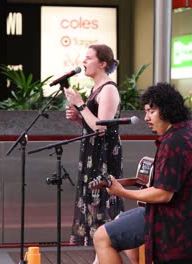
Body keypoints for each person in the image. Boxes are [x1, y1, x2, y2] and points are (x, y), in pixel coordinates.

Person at [93, 83, 192, 264]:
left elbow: (163, 194)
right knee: (119, 220)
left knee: (102, 236)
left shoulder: (174, 142)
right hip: (185, 217)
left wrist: (121, 192)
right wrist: (122, 183)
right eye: (146, 111)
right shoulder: (189, 131)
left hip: (174, 224)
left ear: (168, 110)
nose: (146, 118)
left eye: (151, 111)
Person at [64, 44, 124, 247]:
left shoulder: (108, 89)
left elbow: (101, 129)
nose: (84, 62)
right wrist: (78, 119)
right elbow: (92, 125)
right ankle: (100, 257)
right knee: (92, 204)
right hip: (92, 153)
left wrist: (80, 105)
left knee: (103, 206)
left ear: (103, 63)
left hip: (104, 157)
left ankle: (106, 253)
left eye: (89, 58)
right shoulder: (96, 88)